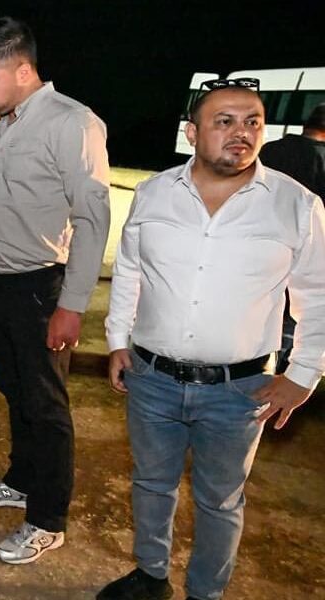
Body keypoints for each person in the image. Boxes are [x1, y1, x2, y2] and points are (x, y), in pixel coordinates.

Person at [99, 81, 325, 600]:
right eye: (224, 121)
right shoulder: (154, 193)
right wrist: (116, 340)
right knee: (151, 483)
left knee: (221, 501)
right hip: (151, 378)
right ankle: (151, 575)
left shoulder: (296, 204)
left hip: (239, 391)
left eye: (252, 122)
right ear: (192, 132)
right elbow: (131, 270)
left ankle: (206, 593)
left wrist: (303, 374)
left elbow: (318, 295)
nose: (240, 132)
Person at [0, 16, 112, 565]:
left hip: (42, 288)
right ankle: (23, 481)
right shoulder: (1, 125)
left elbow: (92, 220)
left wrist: (71, 306)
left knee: (46, 405)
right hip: (0, 285)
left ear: (23, 71)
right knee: (15, 390)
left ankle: (48, 520)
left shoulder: (72, 122)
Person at [258, 103, 325, 373]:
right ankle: (286, 367)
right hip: (306, 251)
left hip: (263, 247)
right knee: (296, 315)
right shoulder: (321, 160)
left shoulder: (271, 150)